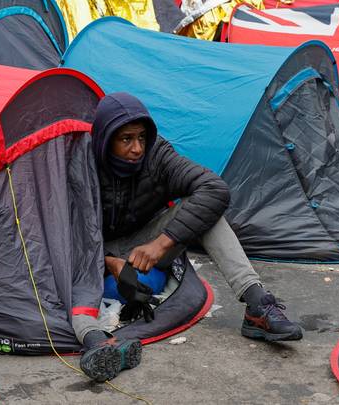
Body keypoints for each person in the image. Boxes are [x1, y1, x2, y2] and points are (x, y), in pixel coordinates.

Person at [75, 92, 303, 382]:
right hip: (90, 249)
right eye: (126, 140)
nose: (137, 149)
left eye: (142, 138)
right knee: (68, 280)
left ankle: (257, 304)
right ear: (105, 140)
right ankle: (97, 342)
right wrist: (109, 262)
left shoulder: (156, 155)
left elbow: (214, 189)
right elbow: (63, 240)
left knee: (208, 213)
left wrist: (161, 244)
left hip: (143, 239)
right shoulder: (82, 165)